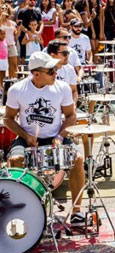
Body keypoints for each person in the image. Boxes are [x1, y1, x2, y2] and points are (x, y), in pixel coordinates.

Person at [3, 52, 86, 227]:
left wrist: (60, 136)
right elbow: (8, 119)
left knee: (78, 160)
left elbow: (71, 116)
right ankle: (21, 212)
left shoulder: (62, 87)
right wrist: (26, 136)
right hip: (27, 138)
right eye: (51, 71)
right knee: (15, 160)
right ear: (36, 73)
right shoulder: (17, 90)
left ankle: (77, 212)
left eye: (56, 69)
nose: (56, 73)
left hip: (55, 136)